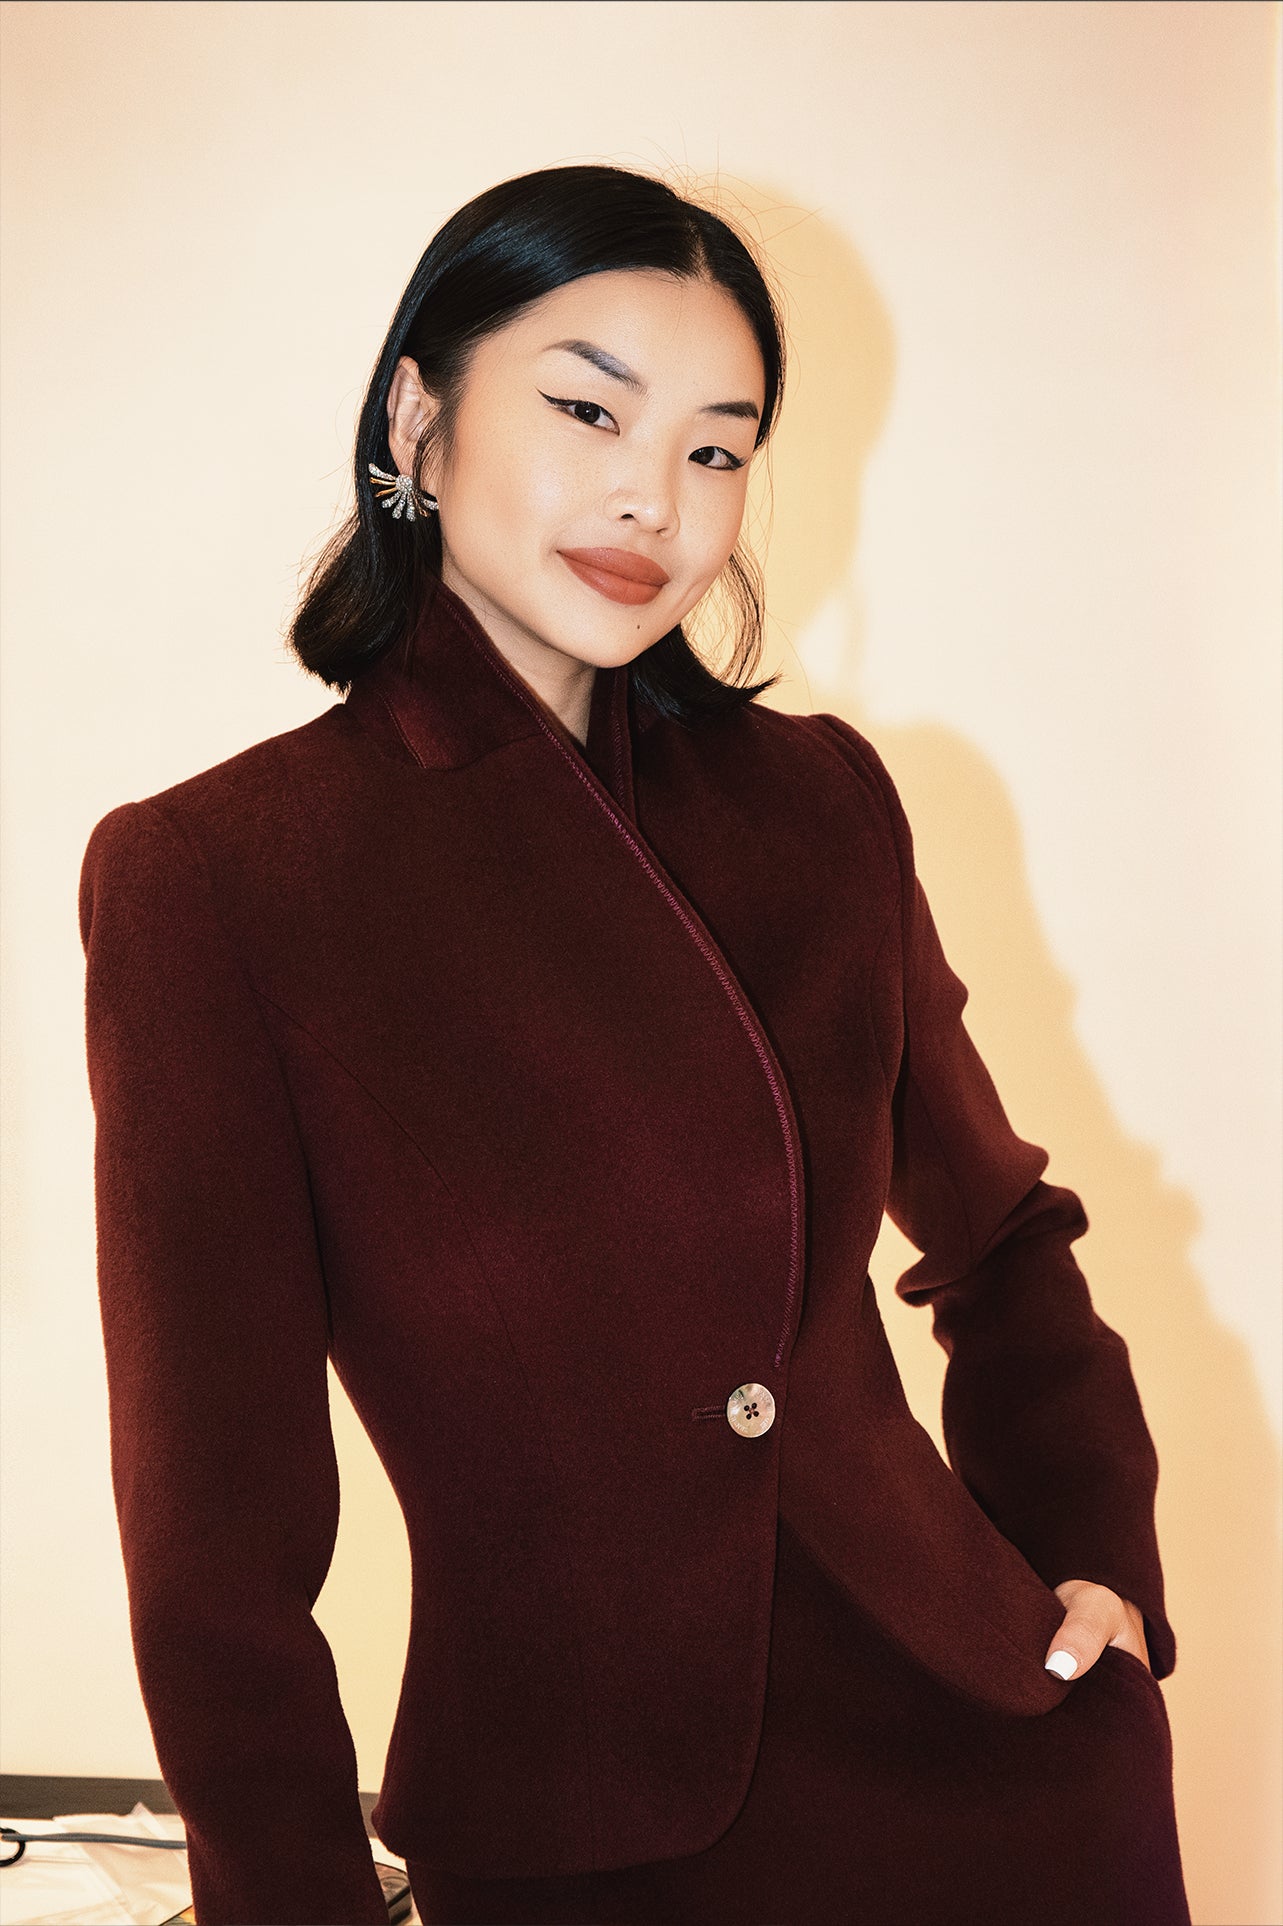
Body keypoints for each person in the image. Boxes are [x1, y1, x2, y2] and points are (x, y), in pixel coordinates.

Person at [78, 163, 1191, 1926]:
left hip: (993, 1754)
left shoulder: (820, 806)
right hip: (582, 1827)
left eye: (716, 446)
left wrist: (1090, 1568)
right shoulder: (219, 878)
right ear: (419, 418)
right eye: (588, 407)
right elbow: (215, 1530)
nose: (652, 497)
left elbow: (1000, 1230)